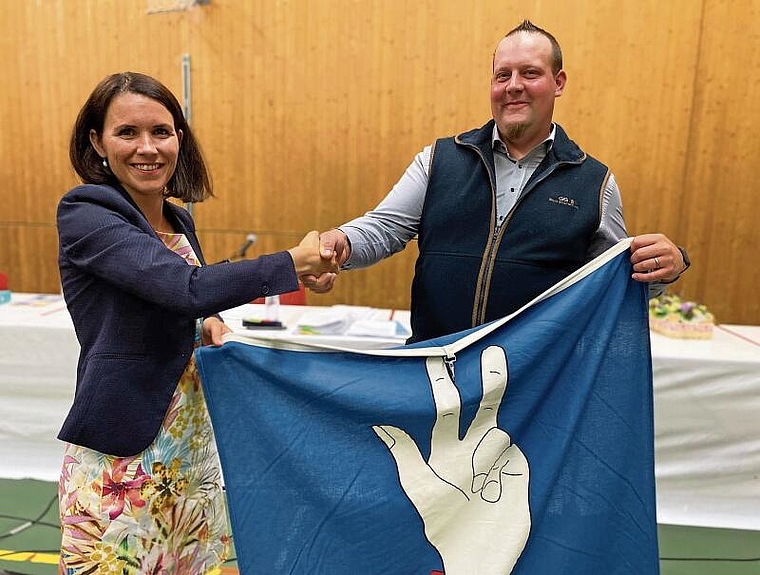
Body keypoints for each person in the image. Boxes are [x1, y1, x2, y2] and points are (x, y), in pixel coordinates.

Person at [56, 71, 336, 573]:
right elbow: (181, 286)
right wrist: (293, 262)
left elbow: (189, 303)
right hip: (125, 452)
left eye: (161, 132)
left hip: (191, 447)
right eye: (127, 132)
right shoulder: (85, 213)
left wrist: (207, 323)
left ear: (179, 139)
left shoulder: (179, 218)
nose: (147, 147)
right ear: (97, 141)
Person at [305, 20, 690, 343]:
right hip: (436, 370)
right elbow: (385, 227)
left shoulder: (595, 183)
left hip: (533, 385)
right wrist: (343, 241)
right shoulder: (439, 159)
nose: (513, 85)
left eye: (530, 73)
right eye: (502, 74)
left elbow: (613, 283)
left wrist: (668, 267)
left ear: (558, 83)